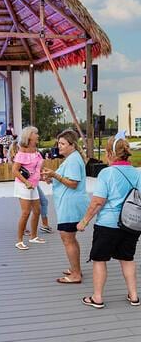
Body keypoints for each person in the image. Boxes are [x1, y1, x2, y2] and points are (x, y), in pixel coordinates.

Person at [77, 133, 141, 308]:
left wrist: (84, 221)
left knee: (100, 259)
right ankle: (134, 296)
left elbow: (98, 201)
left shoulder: (107, 173)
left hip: (108, 224)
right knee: (127, 259)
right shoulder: (137, 173)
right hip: (131, 224)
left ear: (111, 154)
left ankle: (97, 298)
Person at [42, 129, 89, 284]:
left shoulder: (74, 160)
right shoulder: (70, 159)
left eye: (62, 143)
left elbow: (73, 183)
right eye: (58, 143)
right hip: (68, 205)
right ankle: (76, 268)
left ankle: (75, 275)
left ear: (72, 145)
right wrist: (51, 178)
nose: (59, 146)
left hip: (71, 206)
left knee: (67, 238)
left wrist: (55, 175)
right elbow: (65, 179)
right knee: (70, 238)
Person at [12, 126, 45, 250]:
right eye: (35, 134)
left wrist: (43, 177)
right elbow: (14, 170)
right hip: (23, 185)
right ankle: (19, 240)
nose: (38, 136)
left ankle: (33, 236)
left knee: (37, 211)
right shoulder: (23, 151)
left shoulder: (35, 150)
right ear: (29, 136)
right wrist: (26, 182)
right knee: (25, 213)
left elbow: (37, 169)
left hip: (34, 185)